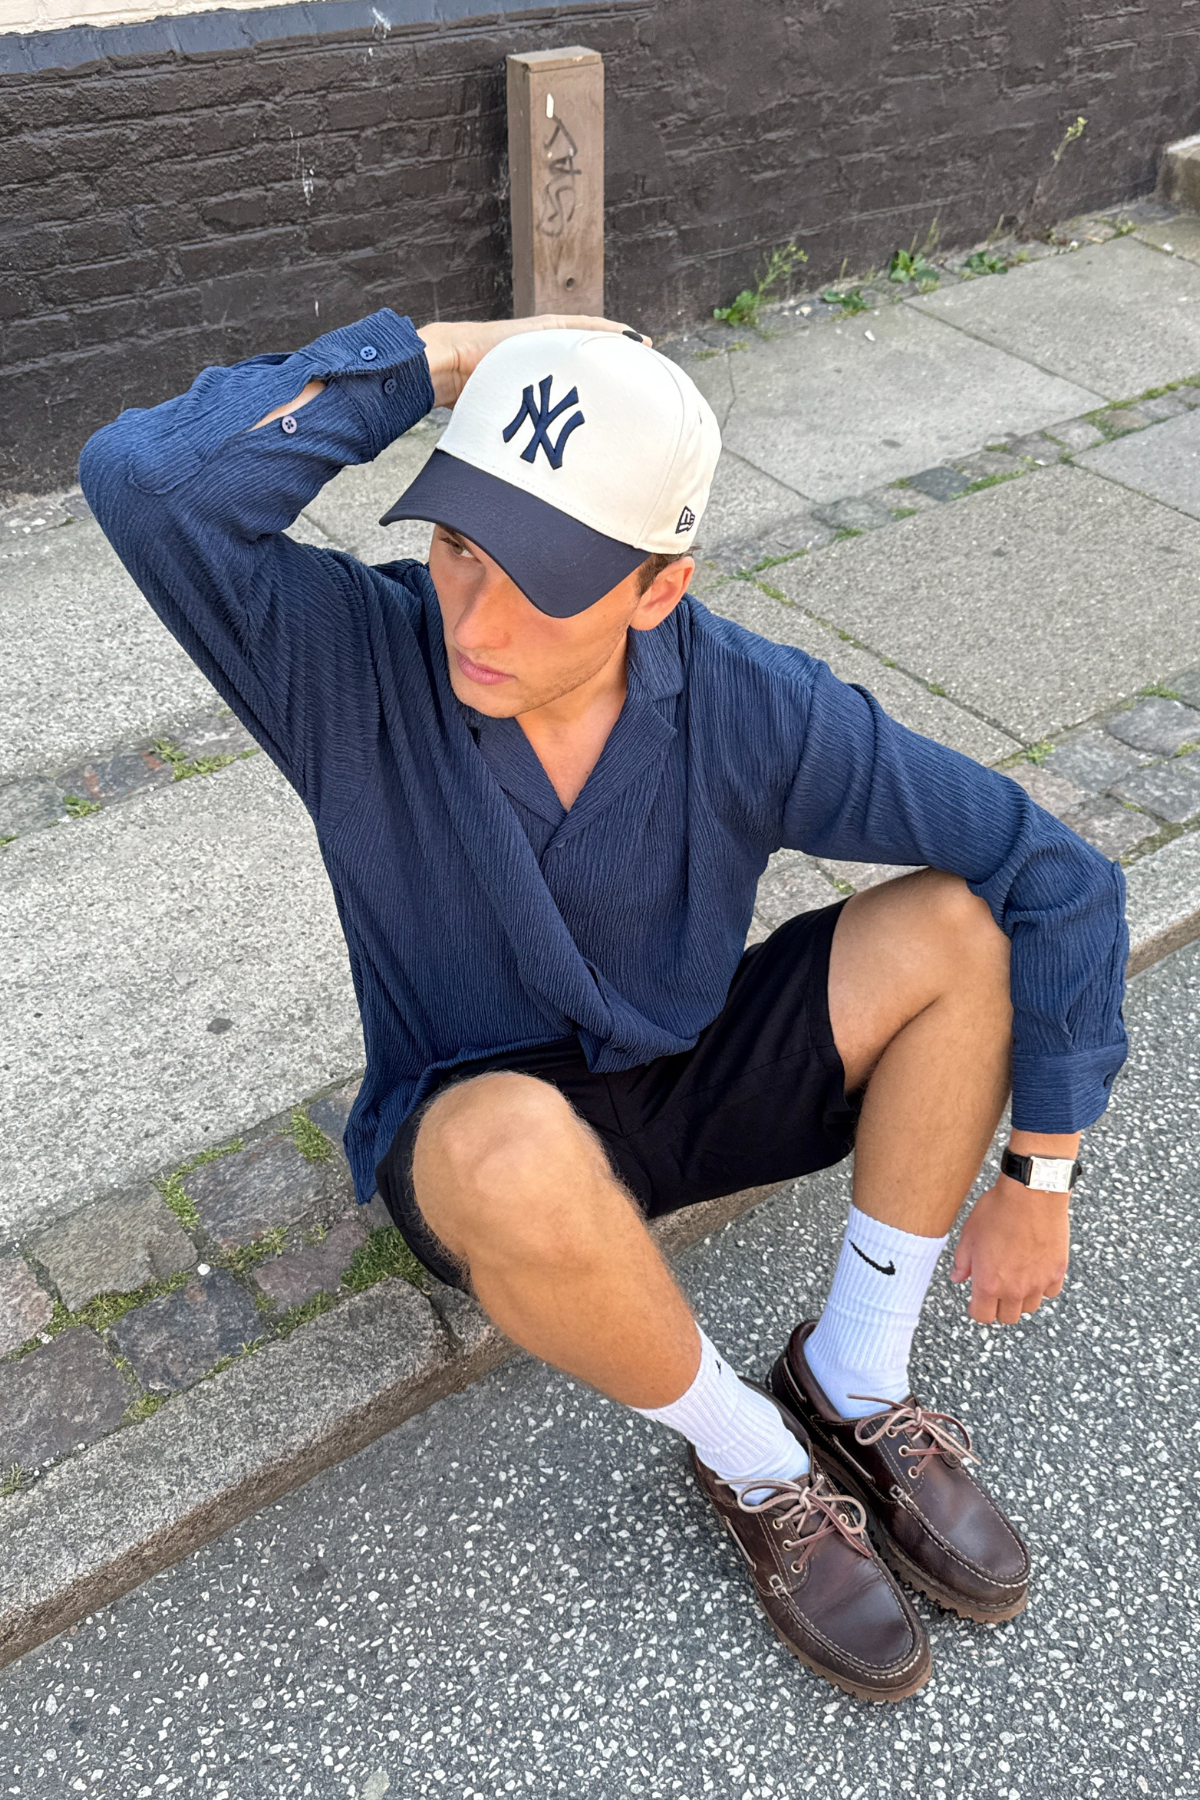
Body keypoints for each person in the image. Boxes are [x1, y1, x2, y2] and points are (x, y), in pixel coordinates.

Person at [81, 306, 1126, 1703]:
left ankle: (855, 1379)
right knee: (513, 1150)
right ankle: (756, 1455)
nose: (477, 618)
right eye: (460, 545)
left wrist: (1041, 1171)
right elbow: (146, 479)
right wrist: (454, 359)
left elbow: (1053, 869)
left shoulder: (753, 704)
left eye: (544, 581)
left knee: (960, 927)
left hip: (685, 1072)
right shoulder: (347, 661)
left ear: (657, 589)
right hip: (478, 1138)